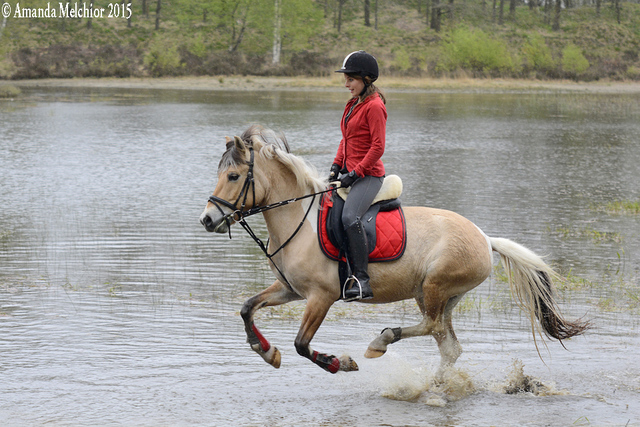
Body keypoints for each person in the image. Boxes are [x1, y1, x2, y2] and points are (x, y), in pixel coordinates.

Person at [329, 50, 387, 302]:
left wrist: (355, 174)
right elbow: (347, 139)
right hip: (350, 172)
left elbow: (378, 147)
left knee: (350, 217)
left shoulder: (375, 106)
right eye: (346, 79)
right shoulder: (353, 104)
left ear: (365, 79)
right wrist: (335, 165)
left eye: (350, 79)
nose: (346, 84)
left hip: (369, 175)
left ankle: (362, 279)